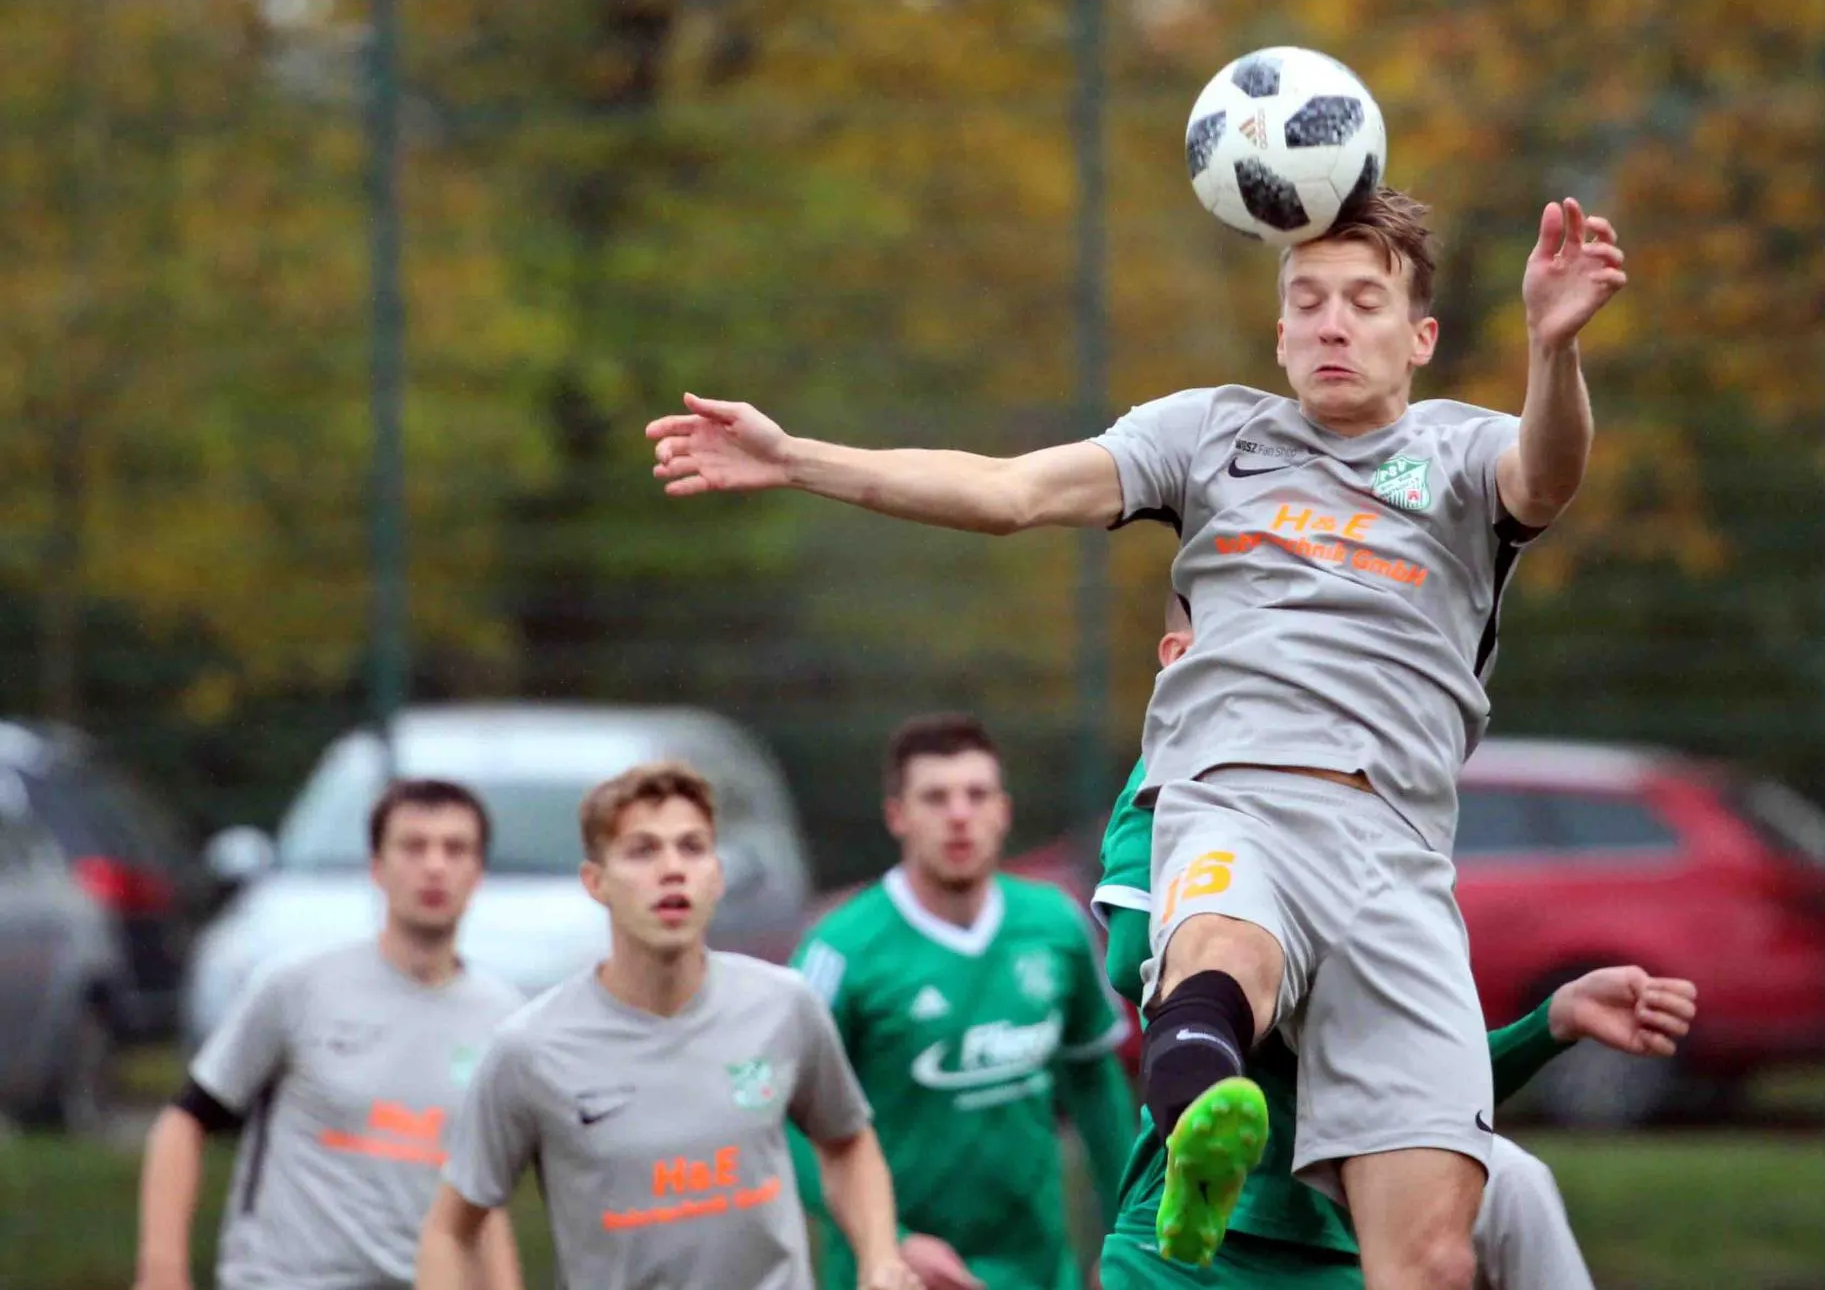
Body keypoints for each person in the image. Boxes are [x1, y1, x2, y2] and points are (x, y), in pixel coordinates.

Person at [646, 186, 1627, 1286]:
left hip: (1397, 850)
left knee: (1434, 1259)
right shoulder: (1211, 433)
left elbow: (1546, 475)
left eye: (1363, 302)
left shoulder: (1461, 450)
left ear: (1421, 336)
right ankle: (1204, 1119)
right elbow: (1010, 491)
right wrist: (795, 458)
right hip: (1237, 795)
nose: (1332, 325)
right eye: (1307, 301)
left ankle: (1208, 1107)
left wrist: (1552, 348)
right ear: (1278, 332)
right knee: (1223, 946)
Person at [1088, 595, 1699, 1288]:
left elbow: (1419, 1087)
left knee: (1518, 1186)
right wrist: (1280, 965)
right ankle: (1200, 1108)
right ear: (1181, 658)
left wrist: (1550, 1022)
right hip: (1194, 1245)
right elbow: (1134, 959)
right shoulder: (1174, 780)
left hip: (1335, 1229)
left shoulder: (1376, 803)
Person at [415, 761, 922, 1290]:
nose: (673, 869)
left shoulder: (784, 1005)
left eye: (692, 848)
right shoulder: (531, 1047)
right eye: (643, 851)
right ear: (596, 883)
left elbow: (847, 1142)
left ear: (716, 876)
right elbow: (450, 1230)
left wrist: (880, 1258)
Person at [133, 779, 526, 1290]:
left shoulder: (503, 1019)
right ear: (377, 868)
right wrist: (161, 1270)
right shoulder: (299, 986)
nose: (435, 866)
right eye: (413, 847)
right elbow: (184, 1123)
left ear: (478, 873)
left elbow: (482, 1200)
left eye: (455, 849)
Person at [789, 714, 1135, 1290]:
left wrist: (1127, 1235)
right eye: (935, 797)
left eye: (976, 795)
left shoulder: (1055, 925)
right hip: (893, 1276)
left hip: (1038, 1274)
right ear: (897, 815)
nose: (958, 815)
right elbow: (788, 1122)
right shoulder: (839, 951)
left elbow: (1096, 1084)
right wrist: (889, 1242)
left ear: (1003, 810)